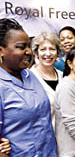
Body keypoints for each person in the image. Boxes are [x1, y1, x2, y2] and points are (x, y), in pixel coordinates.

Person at [0, 18, 57, 156]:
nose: (29, 52)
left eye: (28, 46)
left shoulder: (29, 75)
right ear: (1, 51)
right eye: (21, 47)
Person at [30, 31, 63, 129]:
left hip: (65, 138)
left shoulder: (63, 76)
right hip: (41, 139)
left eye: (52, 49)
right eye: (43, 49)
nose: (48, 54)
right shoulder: (28, 77)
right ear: (36, 53)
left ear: (57, 52)